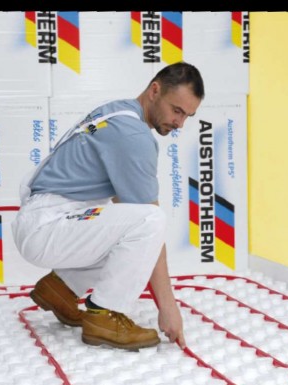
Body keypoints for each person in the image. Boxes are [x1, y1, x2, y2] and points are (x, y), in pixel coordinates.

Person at [12, 62, 205, 351]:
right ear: (154, 91)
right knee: (150, 221)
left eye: (187, 115)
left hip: (48, 219)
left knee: (129, 227)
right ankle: (106, 314)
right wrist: (168, 306)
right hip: (48, 225)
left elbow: (122, 212)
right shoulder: (133, 137)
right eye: (176, 110)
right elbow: (148, 226)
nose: (180, 123)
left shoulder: (118, 112)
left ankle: (61, 289)